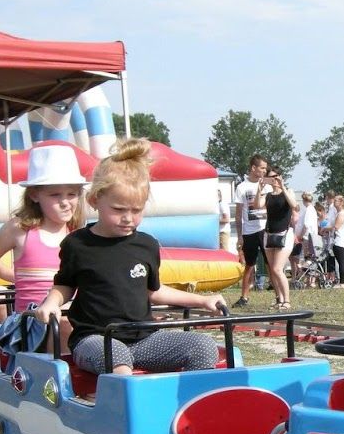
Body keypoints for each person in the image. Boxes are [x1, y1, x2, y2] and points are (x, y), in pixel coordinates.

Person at [34, 139, 226, 375]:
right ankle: (127, 412)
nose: (128, 218)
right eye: (118, 209)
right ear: (95, 200)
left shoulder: (146, 244)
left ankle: (190, 408)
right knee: (118, 359)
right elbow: (64, 286)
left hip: (144, 339)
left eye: (136, 210)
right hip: (94, 339)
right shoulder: (78, 244)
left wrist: (202, 300)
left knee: (203, 347)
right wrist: (51, 303)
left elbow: (153, 291)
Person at [0, 146, 86, 330]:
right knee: (65, 325)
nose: (65, 202)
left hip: (70, 319)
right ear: (34, 195)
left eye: (72, 194)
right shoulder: (19, 229)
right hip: (29, 324)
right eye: (55, 194)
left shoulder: (78, 234)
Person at [232, 154, 269, 307]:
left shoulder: (267, 186)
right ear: (253, 168)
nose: (264, 171)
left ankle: (280, 297)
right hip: (249, 231)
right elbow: (239, 214)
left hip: (265, 229)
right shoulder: (242, 187)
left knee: (271, 264)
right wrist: (240, 236)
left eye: (266, 168)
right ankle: (244, 296)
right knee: (249, 264)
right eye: (262, 168)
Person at [262, 167, 297, 309]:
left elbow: (294, 205)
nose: (274, 180)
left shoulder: (288, 192)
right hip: (270, 234)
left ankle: (287, 301)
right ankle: (280, 299)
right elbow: (257, 205)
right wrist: (260, 189)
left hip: (285, 234)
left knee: (277, 268)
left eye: (276, 176)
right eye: (271, 177)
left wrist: (282, 187)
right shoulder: (268, 195)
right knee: (272, 269)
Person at [330, 194, 344, 286]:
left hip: (339, 241)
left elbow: (336, 226)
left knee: (342, 262)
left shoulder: (341, 214)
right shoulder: (343, 213)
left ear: (340, 203)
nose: (334, 202)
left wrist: (326, 228)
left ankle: (342, 282)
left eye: (335, 200)